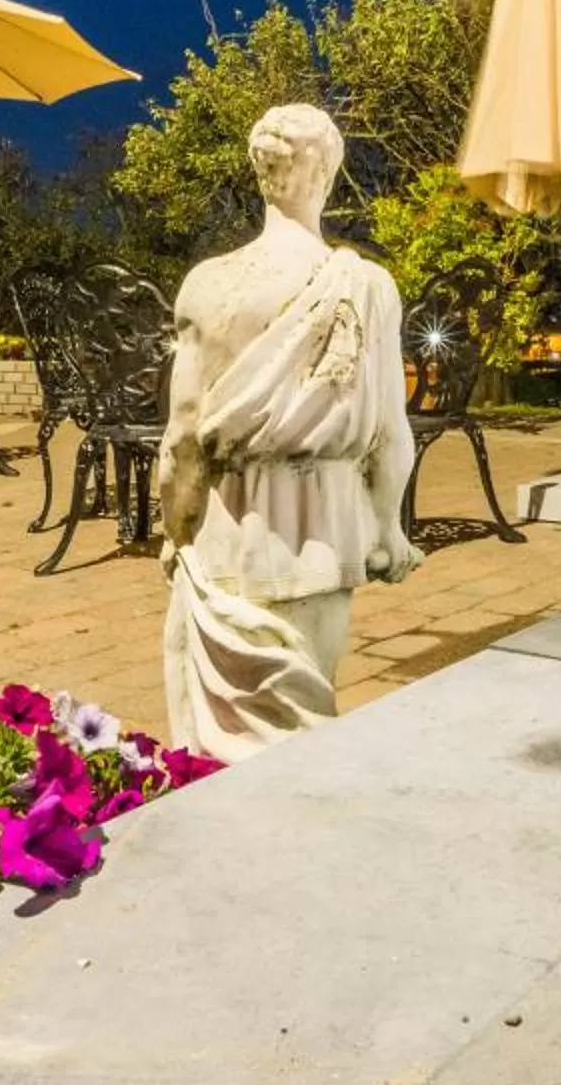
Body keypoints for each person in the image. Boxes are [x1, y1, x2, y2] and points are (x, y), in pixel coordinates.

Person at [157, 104, 419, 759]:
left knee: (209, 735)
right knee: (301, 718)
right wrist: (388, 528)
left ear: (260, 173)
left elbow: (183, 439)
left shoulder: (209, 285)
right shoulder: (367, 286)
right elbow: (390, 436)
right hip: (324, 535)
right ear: (327, 171)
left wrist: (176, 530)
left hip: (223, 532)